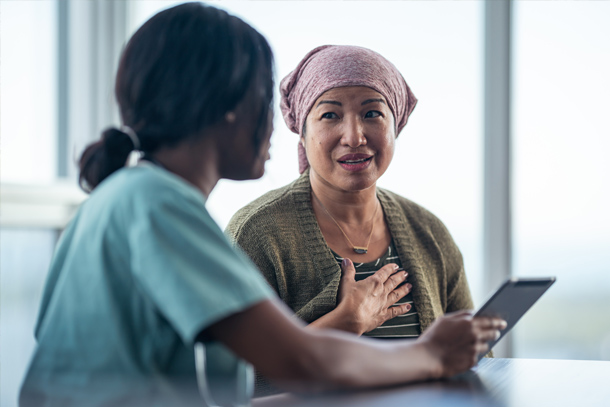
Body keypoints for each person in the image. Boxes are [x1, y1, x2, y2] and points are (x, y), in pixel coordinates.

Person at [19, 4, 505, 407]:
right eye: (262, 97)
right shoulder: (156, 206)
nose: (277, 124)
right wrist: (431, 356)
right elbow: (300, 359)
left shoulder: (124, 198)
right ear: (227, 105)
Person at [226, 45, 480, 394]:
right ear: (302, 131)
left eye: (372, 114)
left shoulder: (429, 232)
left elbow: (475, 360)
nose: (354, 137)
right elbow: (231, 383)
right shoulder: (257, 233)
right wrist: (346, 322)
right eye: (330, 115)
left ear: (396, 127)